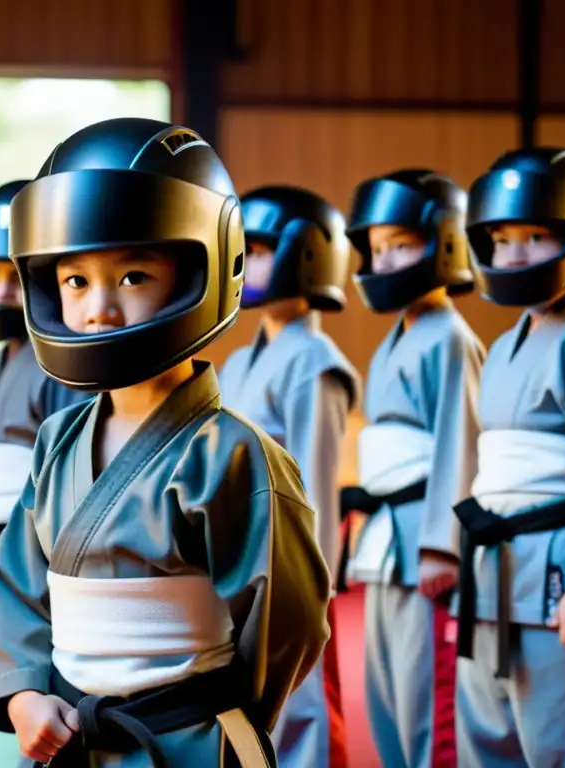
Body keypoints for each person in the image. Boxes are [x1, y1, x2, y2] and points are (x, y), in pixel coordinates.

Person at [0, 117, 332, 768]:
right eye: (75, 281)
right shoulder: (57, 441)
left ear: (201, 269)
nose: (99, 309)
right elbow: (18, 585)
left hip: (186, 738)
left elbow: (290, 624)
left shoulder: (233, 456)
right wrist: (24, 691)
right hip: (73, 735)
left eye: (133, 277)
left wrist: (212, 709)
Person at [454, 147, 565, 767]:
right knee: (492, 731)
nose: (514, 255)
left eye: (535, 236)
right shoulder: (505, 345)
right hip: (493, 571)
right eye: (502, 239)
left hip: (562, 569)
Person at [341, 170, 484, 768]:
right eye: (376, 248)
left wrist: (443, 546)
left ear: (443, 243)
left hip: (424, 534)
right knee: (385, 692)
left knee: (427, 695)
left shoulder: (452, 338)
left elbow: (461, 443)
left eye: (402, 244)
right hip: (387, 535)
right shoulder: (394, 338)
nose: (385, 259)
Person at [219, 185, 359, 768]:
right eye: (242, 252)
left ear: (307, 256)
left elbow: (318, 483)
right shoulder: (237, 361)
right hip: (241, 559)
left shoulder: (315, 364)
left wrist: (312, 584)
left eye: (263, 251)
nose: (249, 266)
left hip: (291, 564)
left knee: (302, 711)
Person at [0, 180, 90, 693]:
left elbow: (68, 463)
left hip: (35, 536)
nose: (2, 291)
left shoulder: (59, 359)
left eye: (12, 275)